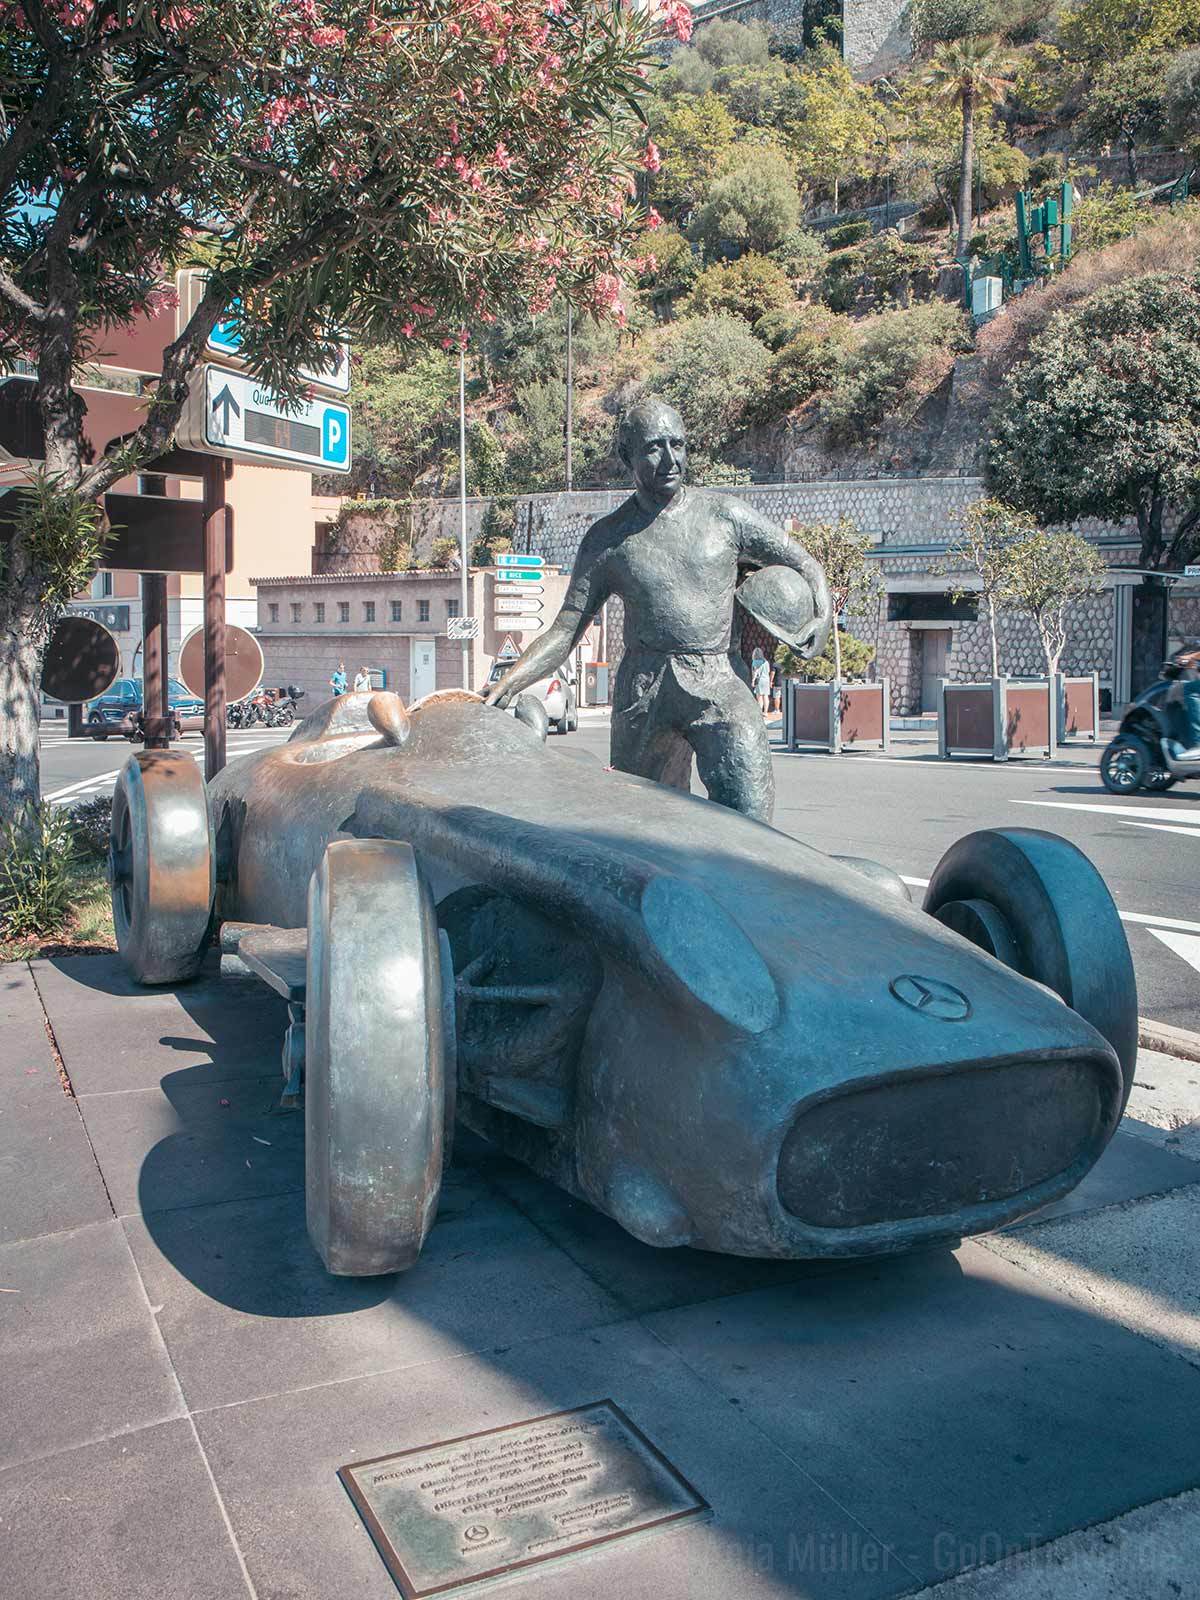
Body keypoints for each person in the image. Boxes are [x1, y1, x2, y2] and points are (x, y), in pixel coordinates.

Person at [484, 397, 832, 823]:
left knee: (751, 812)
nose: (670, 459)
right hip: (644, 687)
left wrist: (822, 617)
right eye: (653, 447)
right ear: (626, 455)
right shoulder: (607, 539)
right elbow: (565, 631)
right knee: (642, 823)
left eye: (677, 445)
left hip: (718, 677)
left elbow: (804, 562)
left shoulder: (725, 516)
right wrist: (510, 682)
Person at [751, 647, 771, 716]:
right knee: (766, 696)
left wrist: (753, 680)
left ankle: (759, 712)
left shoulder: (755, 661)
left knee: (759, 697)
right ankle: (766, 712)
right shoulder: (766, 662)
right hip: (766, 680)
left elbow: (756, 671)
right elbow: (768, 671)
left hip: (759, 680)